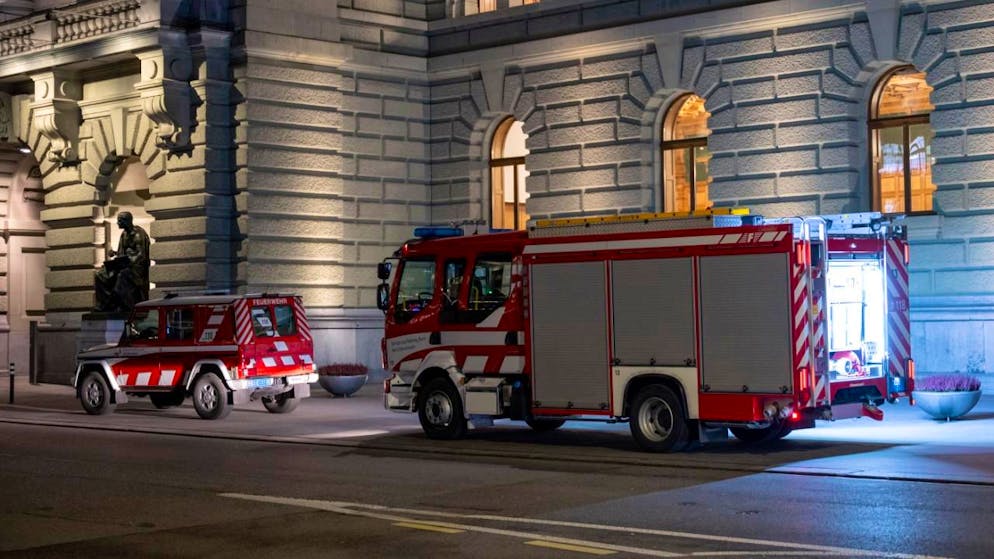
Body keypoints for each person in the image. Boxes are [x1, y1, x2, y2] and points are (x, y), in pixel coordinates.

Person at [94, 211, 150, 312]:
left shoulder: (138, 234)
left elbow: (141, 255)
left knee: (122, 275)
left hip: (135, 268)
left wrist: (127, 262)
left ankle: (120, 303)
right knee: (100, 274)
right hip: (124, 264)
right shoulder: (124, 234)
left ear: (127, 221)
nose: (117, 223)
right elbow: (121, 253)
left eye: (119, 221)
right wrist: (115, 254)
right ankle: (104, 303)